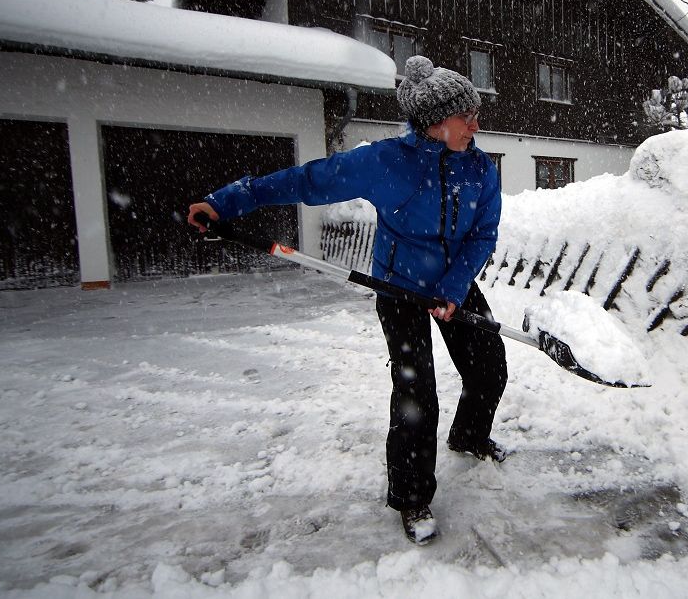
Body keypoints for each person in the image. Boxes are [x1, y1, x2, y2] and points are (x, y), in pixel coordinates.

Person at [187, 55, 508, 545]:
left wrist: (452, 287)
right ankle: (413, 497)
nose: (476, 125)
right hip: (399, 286)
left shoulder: (481, 169)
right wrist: (226, 200)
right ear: (435, 122)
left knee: (489, 364)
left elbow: (483, 235)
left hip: (451, 283)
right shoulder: (384, 161)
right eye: (467, 116)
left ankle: (469, 436)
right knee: (416, 392)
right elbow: (305, 181)